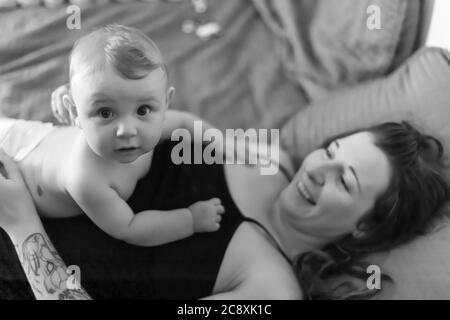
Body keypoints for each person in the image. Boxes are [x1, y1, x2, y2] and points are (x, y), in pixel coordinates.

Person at [0, 121, 449, 299]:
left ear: (366, 231)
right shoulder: (266, 158)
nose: (317, 169)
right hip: (25, 168)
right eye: (331, 150)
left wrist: (22, 226)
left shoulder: (271, 292)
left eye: (344, 180)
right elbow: (162, 124)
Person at [0, 24, 226, 248]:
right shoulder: (86, 179)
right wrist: (190, 220)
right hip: (14, 164)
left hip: (38, 137)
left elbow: (187, 122)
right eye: (105, 113)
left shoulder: (157, 124)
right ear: (75, 113)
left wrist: (225, 142)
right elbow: (129, 227)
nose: (127, 130)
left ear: (166, 103)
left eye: (143, 110)